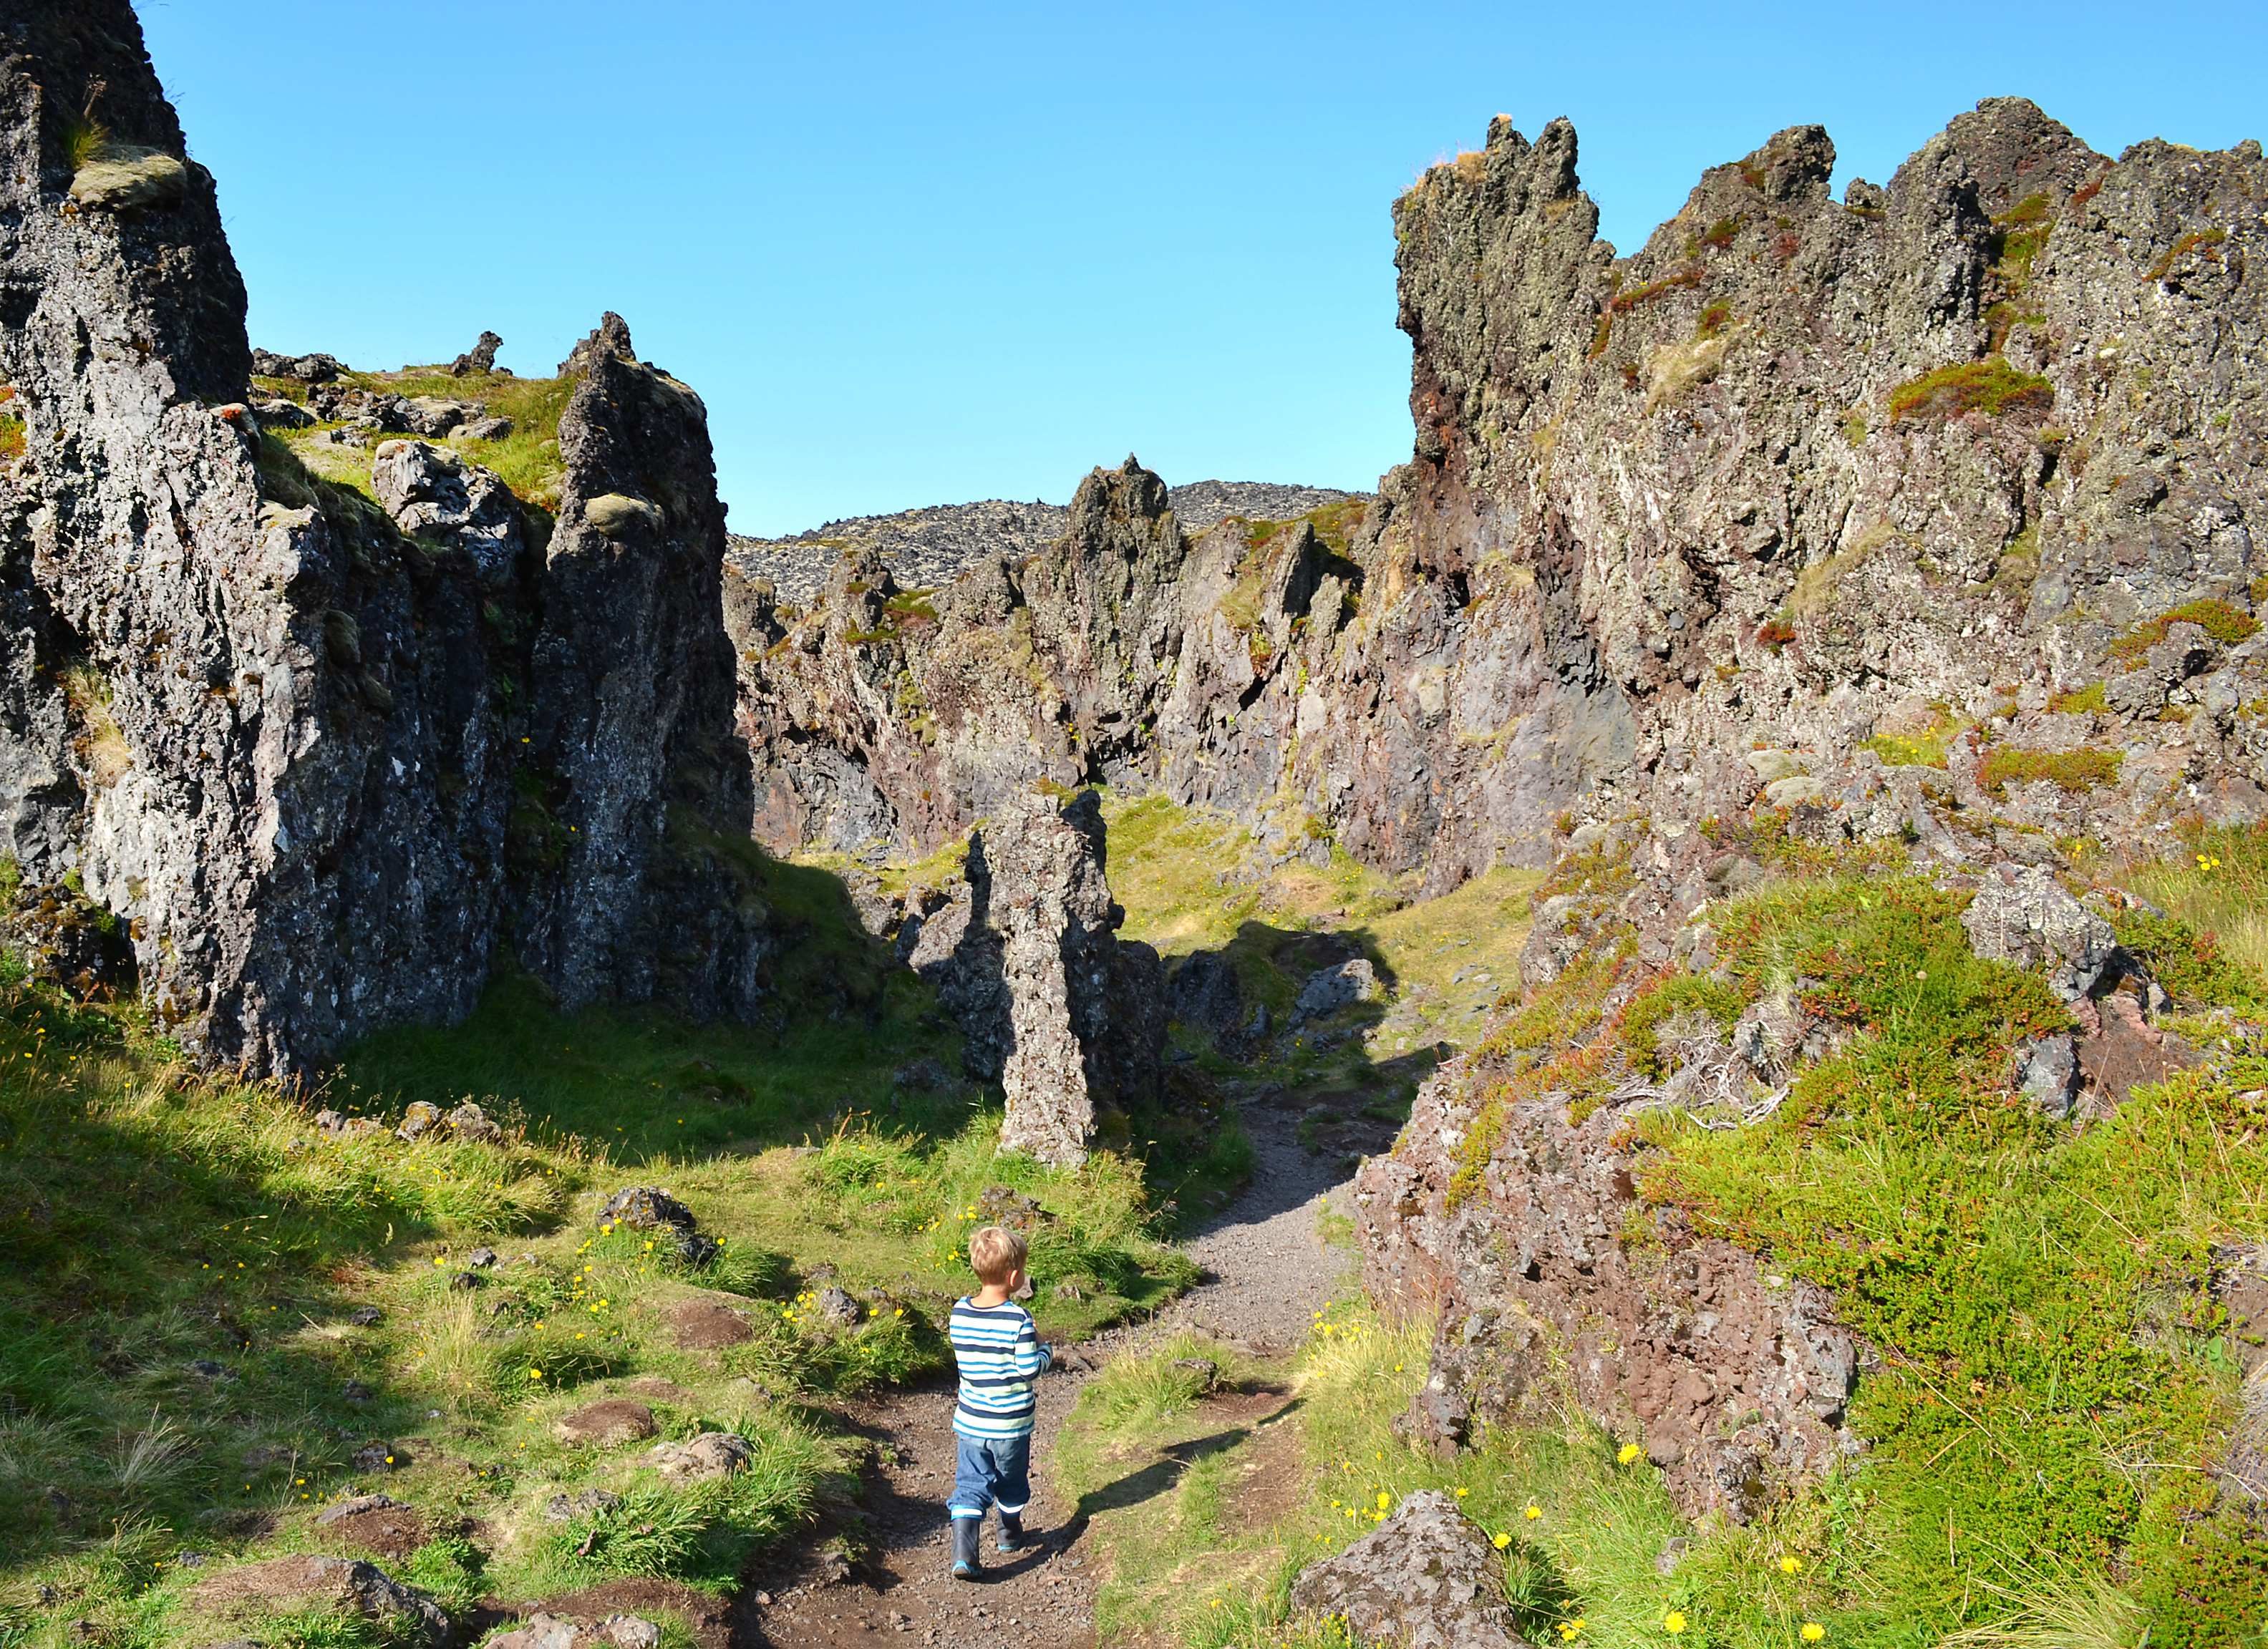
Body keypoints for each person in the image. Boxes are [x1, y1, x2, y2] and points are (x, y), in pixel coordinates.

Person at [946, 1224, 1053, 1580]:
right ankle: (1008, 1531)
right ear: (1013, 1276)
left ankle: (964, 1553)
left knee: (970, 1485)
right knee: (1011, 1481)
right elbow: (1028, 1369)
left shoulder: (960, 1311)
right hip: (1010, 1425)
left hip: (971, 1421)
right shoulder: (1019, 1320)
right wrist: (1045, 1350)